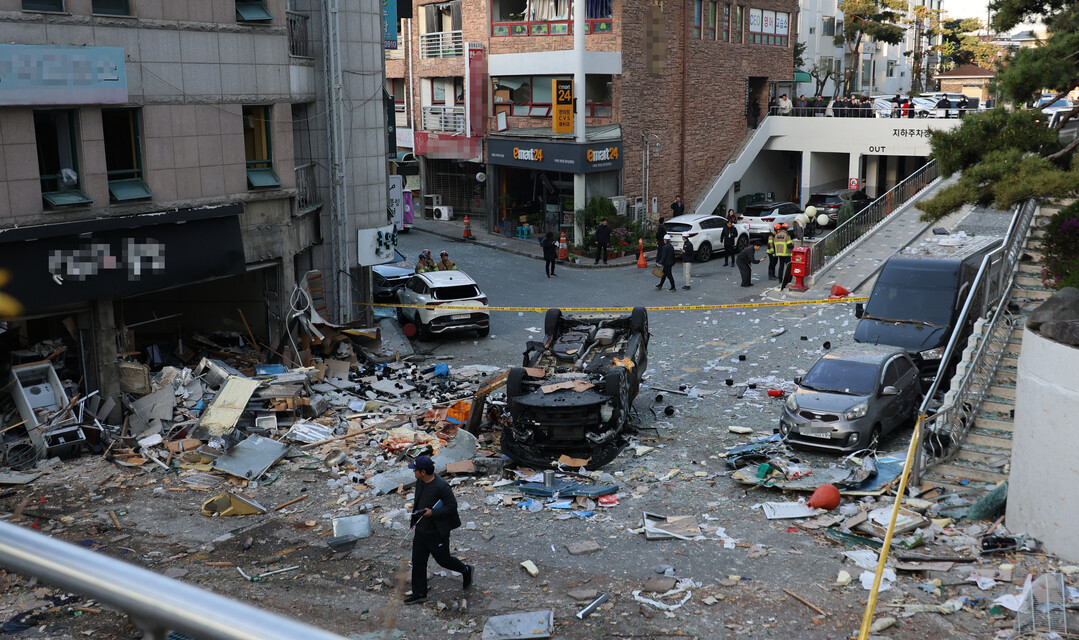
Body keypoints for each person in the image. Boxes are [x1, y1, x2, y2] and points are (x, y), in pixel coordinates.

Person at [405, 455, 472, 605]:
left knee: (444, 560)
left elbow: (451, 506)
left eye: (415, 470)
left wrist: (433, 513)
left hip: (436, 532)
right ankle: (420, 593)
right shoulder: (420, 482)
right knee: (418, 562)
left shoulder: (441, 486)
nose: (413, 472)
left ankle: (465, 569)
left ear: (423, 472)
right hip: (421, 530)